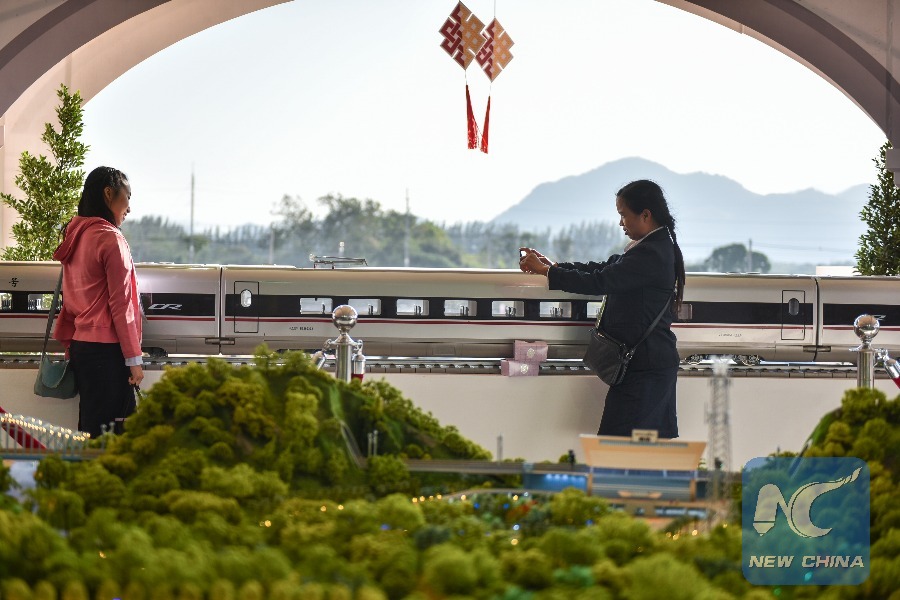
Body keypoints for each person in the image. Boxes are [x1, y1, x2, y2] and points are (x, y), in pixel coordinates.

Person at [519, 179, 685, 438]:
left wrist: (548, 272)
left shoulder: (651, 253)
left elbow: (600, 281)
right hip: (645, 365)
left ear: (645, 215)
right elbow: (604, 268)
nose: (621, 223)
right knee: (631, 446)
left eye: (623, 215)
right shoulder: (652, 247)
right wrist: (554, 267)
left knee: (619, 445)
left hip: (646, 368)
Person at [53, 166, 144, 437]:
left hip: (82, 347)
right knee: (117, 432)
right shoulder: (110, 239)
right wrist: (133, 358)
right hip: (108, 351)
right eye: (127, 196)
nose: (129, 207)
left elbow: (71, 298)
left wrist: (71, 346)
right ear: (108, 193)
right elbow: (121, 304)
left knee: (92, 427)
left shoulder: (76, 236)